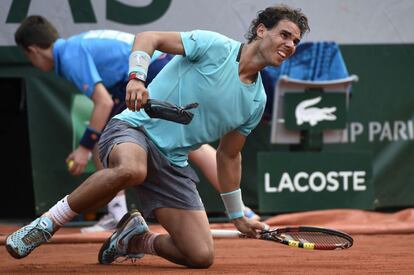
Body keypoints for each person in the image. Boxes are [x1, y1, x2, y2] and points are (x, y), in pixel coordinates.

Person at [6, 4, 309, 268]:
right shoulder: (215, 46)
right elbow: (148, 38)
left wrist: (237, 214)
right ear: (260, 30)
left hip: (173, 163)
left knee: (200, 255)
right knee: (132, 169)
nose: (290, 44)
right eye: (284, 34)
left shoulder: (257, 100)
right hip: (135, 128)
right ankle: (45, 224)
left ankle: (136, 240)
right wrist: (137, 78)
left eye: (296, 40)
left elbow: (229, 155)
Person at [12, 16, 260, 233]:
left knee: (103, 141)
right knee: (192, 144)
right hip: (152, 68)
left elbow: (103, 103)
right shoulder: (77, 44)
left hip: (147, 74)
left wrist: (84, 148)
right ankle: (244, 211)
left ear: (33, 50)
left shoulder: (69, 54)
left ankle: (116, 216)